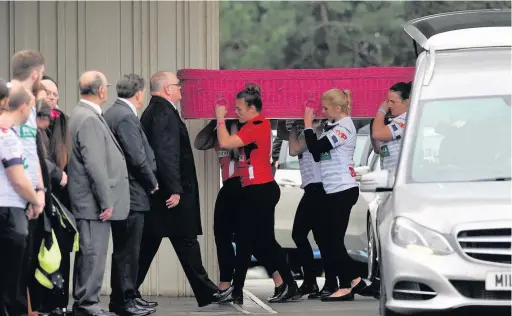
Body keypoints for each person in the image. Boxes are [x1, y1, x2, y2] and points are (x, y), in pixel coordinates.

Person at [138, 71, 225, 308]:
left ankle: (127, 293)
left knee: (155, 241)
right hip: (170, 194)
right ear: (167, 89)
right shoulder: (164, 113)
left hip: (162, 193)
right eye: (178, 86)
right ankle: (207, 292)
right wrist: (175, 189)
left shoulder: (156, 111)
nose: (181, 90)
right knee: (181, 240)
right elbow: (166, 155)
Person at [214, 83, 300, 304]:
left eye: (240, 108)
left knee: (245, 239)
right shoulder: (252, 124)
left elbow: (225, 141)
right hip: (256, 189)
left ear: (252, 108)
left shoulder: (258, 124)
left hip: (260, 189)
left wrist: (220, 117)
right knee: (265, 241)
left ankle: (237, 290)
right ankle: (289, 285)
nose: (236, 111)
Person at [194, 120, 284, 299]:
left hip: (244, 185)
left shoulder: (244, 131)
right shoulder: (218, 132)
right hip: (230, 185)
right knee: (226, 236)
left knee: (254, 238)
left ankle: (276, 280)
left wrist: (230, 124)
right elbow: (199, 142)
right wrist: (215, 120)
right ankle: (230, 283)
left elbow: (238, 152)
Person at [68, 71, 130, 316]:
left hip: (89, 201)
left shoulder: (81, 114)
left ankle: (85, 302)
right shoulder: (89, 118)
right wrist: (106, 201)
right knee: (93, 254)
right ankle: (87, 304)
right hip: (92, 203)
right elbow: (95, 165)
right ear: (102, 90)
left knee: (90, 253)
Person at [303, 89, 366, 302]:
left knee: (332, 240)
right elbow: (317, 154)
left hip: (343, 189)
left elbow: (317, 148)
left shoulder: (345, 127)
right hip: (334, 190)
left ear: (338, 108)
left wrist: (308, 125)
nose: (323, 111)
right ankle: (351, 281)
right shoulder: (335, 127)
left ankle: (350, 282)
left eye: (326, 108)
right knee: (329, 239)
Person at [103, 74, 159, 316]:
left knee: (126, 250)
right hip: (132, 193)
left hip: (127, 192)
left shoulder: (113, 112)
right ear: (138, 93)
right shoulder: (125, 116)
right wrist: (152, 182)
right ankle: (124, 301)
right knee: (128, 251)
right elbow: (137, 157)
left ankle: (128, 297)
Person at [276, 119, 339, 299]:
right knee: (310, 236)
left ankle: (327, 282)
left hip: (319, 188)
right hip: (311, 188)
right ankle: (314, 282)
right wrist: (285, 119)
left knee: (313, 236)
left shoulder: (318, 129)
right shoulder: (307, 129)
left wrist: (296, 126)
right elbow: (282, 135)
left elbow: (294, 149)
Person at [10, 50, 49, 315]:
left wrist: (40, 190)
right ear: (35, 74)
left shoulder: (32, 104)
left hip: (30, 194)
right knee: (11, 266)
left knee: (26, 260)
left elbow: (32, 149)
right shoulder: (7, 97)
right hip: (11, 193)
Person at [0, 84, 43, 316]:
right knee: (12, 282)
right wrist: (35, 198)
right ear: (24, 107)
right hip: (9, 211)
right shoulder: (7, 136)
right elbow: (18, 178)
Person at [371, 82, 411, 172]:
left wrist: (381, 111)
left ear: (406, 102)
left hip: (397, 175)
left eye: (393, 102)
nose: (389, 105)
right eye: (388, 101)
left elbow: (377, 134)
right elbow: (377, 149)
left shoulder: (405, 121)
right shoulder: (395, 121)